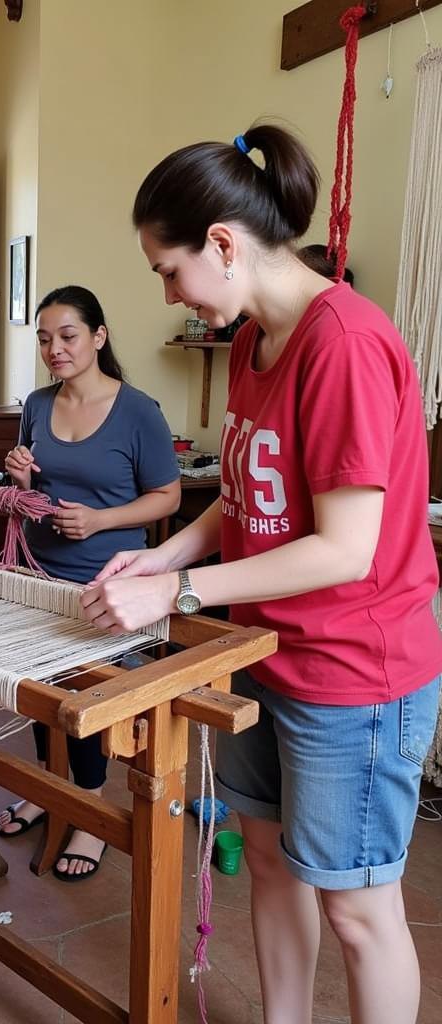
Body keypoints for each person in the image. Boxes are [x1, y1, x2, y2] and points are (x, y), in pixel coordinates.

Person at [85, 124, 442, 1023]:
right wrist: (167, 550)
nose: (166, 289)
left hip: (355, 672)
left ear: (223, 243)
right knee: (272, 864)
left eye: (168, 269)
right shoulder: (252, 342)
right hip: (270, 651)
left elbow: (344, 549)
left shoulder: (346, 346)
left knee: (360, 911)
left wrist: (180, 592)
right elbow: (246, 493)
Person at [0, 285, 180, 881]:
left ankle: (91, 809)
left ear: (98, 337)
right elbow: (29, 493)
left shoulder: (138, 412)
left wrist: (101, 520)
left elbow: (167, 497)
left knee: (89, 703)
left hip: (111, 584)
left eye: (68, 336)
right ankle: (52, 791)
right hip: (41, 580)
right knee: (45, 699)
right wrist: (19, 475)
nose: (55, 348)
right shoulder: (37, 405)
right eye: (45, 338)